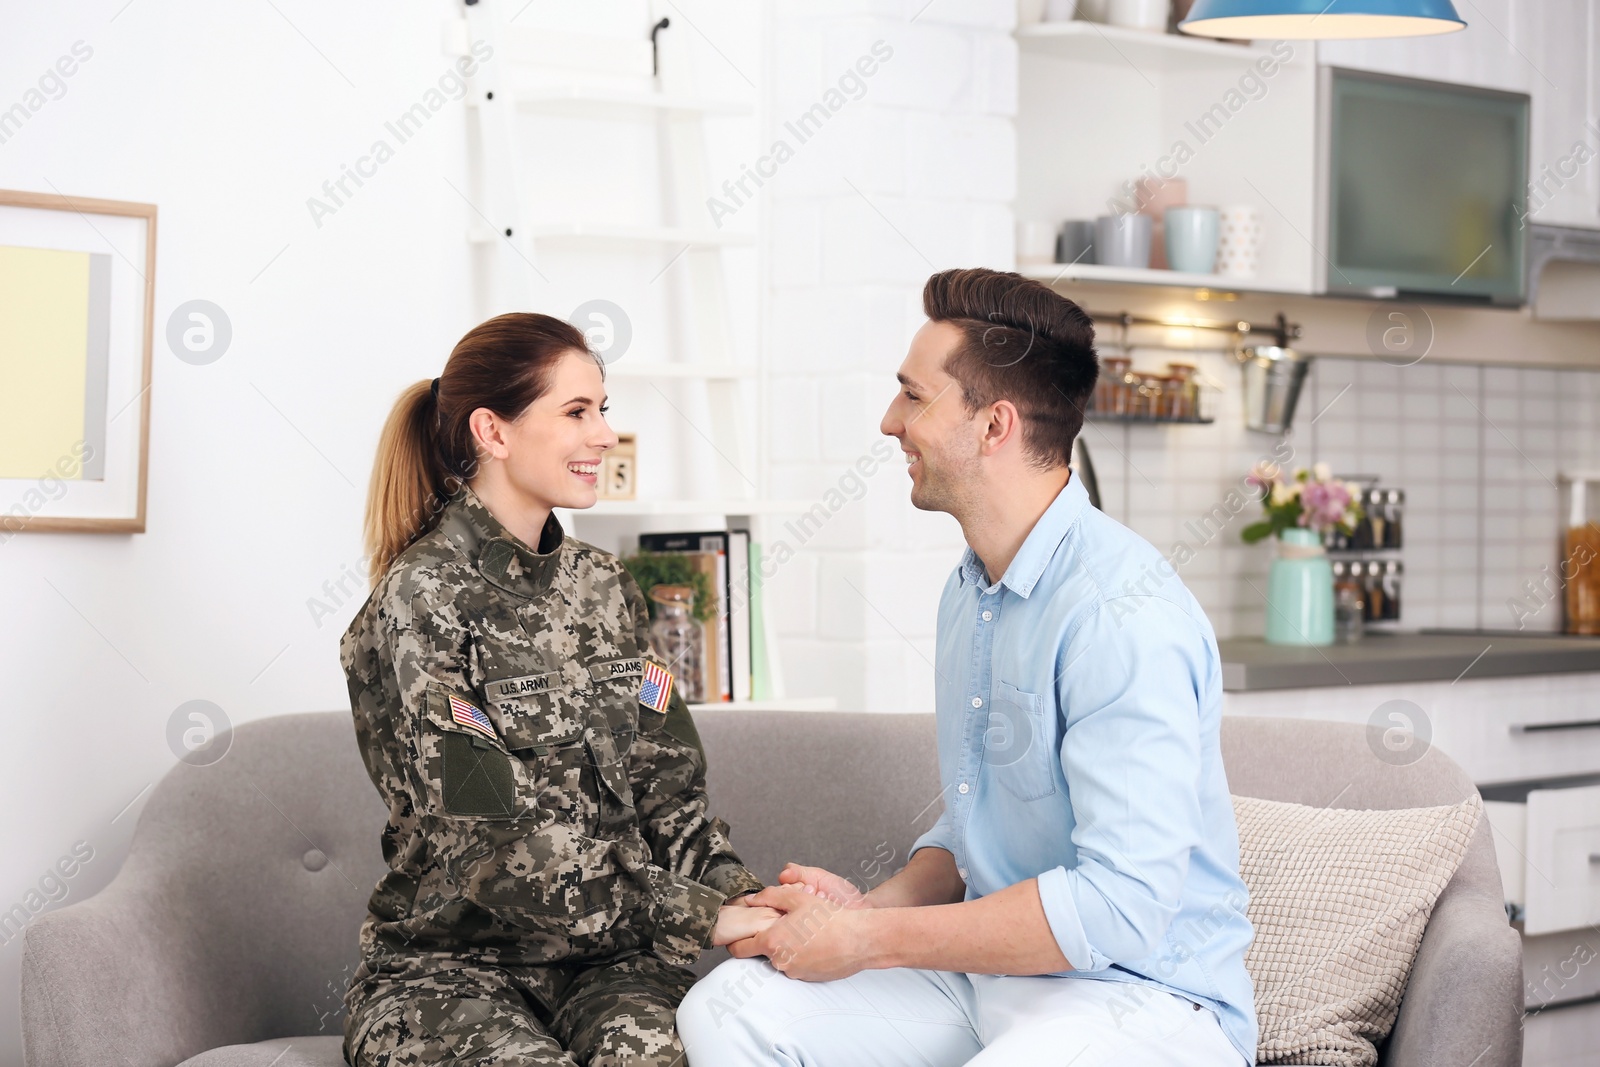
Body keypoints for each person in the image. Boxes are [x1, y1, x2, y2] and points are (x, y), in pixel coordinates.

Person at [678, 269, 1257, 1066]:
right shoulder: (971, 588)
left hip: (1146, 1000)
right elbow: (975, 823)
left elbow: (1120, 907)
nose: (890, 422)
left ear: (994, 425)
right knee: (730, 1010)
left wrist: (869, 937)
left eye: (913, 396)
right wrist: (854, 911)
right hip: (990, 978)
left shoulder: (1122, 614)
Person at [339, 312, 776, 1067]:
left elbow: (669, 798)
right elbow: (492, 849)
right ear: (494, 431)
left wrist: (756, 900)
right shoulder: (423, 599)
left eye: (602, 410)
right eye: (577, 411)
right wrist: (710, 917)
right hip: (450, 978)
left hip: (613, 969)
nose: (605, 434)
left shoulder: (608, 588)